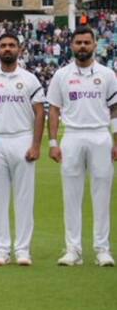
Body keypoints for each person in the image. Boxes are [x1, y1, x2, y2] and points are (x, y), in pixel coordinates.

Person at [47, 26, 116, 267]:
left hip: (100, 135)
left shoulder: (107, 74)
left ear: (95, 45)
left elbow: (115, 109)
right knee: (71, 195)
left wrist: (116, 140)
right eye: (78, 43)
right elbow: (54, 110)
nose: (83, 46)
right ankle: (73, 250)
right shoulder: (62, 75)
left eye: (87, 42)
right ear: (72, 45)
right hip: (73, 136)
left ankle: (102, 249)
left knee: (102, 195)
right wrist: (53, 142)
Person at [0, 33, 45, 266]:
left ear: (20, 49)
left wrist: (36, 145)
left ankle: (23, 250)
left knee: (24, 198)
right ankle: (1, 249)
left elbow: (40, 113)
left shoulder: (30, 79)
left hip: (22, 139)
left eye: (11, 45)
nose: (7, 49)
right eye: (3, 46)